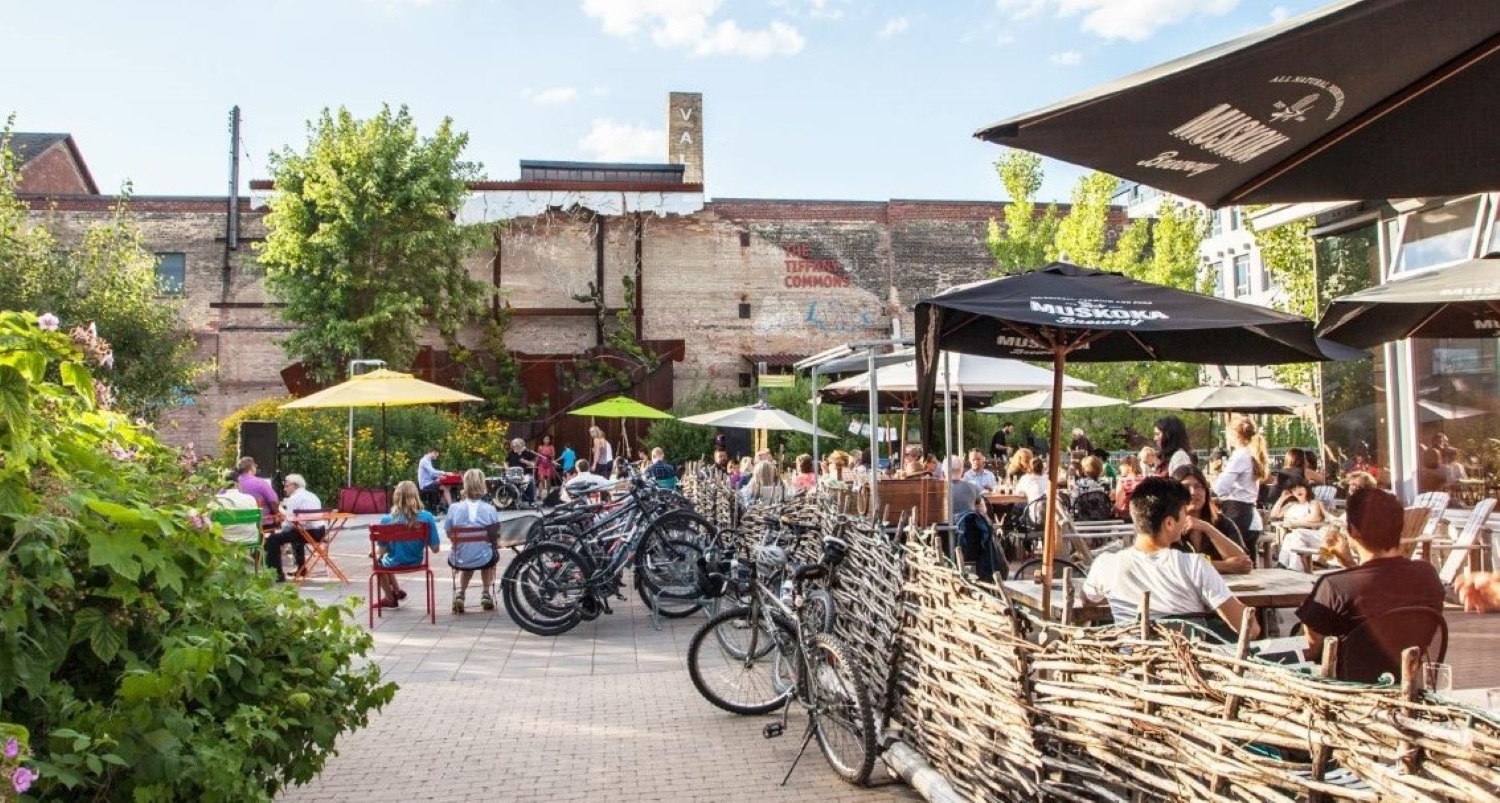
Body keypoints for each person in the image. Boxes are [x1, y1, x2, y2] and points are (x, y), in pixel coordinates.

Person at [1083, 476, 1260, 641]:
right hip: (1186, 662)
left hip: (1131, 661)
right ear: (1169, 523)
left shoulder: (1105, 565)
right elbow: (1250, 629)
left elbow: (1087, 599)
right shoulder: (1194, 566)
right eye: (1184, 514)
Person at [1295, 487, 1445, 665]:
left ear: (1352, 530)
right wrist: (1350, 564)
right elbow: (1381, 586)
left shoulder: (1333, 587)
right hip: (1405, 676)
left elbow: (1310, 649)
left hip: (1345, 680)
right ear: (1400, 527)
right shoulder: (1427, 575)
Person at [1171, 464, 1253, 575]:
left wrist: (1207, 528)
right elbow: (1172, 566)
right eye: (1185, 487)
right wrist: (1226, 566)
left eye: (1198, 486)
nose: (1193, 492)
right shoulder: (1168, 525)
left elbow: (1244, 563)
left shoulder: (1222, 522)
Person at [373, 481, 441, 609]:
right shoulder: (427, 517)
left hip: (394, 563)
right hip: (416, 562)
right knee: (384, 561)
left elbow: (381, 551)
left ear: (396, 497)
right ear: (416, 496)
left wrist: (376, 551)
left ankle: (390, 598)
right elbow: (435, 549)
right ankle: (397, 591)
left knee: (378, 563)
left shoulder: (387, 519)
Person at [444, 468, 502, 614]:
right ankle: (485, 592)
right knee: (488, 552)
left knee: (467, 555)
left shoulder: (453, 508)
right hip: (484, 558)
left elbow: (449, 533)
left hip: (459, 558)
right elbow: (495, 536)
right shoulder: (490, 509)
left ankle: (461, 594)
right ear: (482, 485)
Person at [1214, 415, 1268, 555]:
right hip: (1250, 513)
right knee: (1249, 560)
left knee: (1234, 558)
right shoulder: (1251, 453)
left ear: (1235, 435)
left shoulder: (1240, 456)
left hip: (1237, 514)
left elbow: (1220, 489)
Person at [262, 473, 324, 582]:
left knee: (273, 539)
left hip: (307, 532)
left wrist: (280, 531)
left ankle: (276, 574)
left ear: (295, 485)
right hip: (320, 532)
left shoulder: (294, 498)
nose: (284, 489)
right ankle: (301, 568)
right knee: (295, 533)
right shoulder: (313, 496)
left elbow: (289, 522)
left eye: (287, 486)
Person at [1270, 476, 1329, 572]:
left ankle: (1285, 566)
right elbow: (1274, 515)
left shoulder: (1313, 503)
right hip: (1297, 538)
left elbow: (1313, 518)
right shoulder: (1291, 505)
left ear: (1306, 488)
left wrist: (1292, 523)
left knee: (1295, 534)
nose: (1298, 490)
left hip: (1312, 537)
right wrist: (1281, 498)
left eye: (1300, 487)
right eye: (1294, 489)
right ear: (1291, 492)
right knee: (1291, 537)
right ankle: (1290, 567)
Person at [955, 495, 1005, 583]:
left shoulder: (964, 518)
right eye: (984, 505)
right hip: (980, 560)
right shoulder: (977, 519)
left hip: (966, 557)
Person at [211, 469, 262, 546]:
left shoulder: (216, 500)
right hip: (251, 540)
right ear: (237, 483)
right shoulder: (251, 499)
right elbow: (257, 525)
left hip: (225, 542)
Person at [235, 455, 279, 527]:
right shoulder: (260, 482)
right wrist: (277, 513)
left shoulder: (232, 484)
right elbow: (274, 501)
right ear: (252, 468)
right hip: (261, 524)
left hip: (238, 524)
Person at [1071, 456, 1114, 522]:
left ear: (1084, 469)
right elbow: (1109, 505)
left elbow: (1073, 504)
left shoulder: (1079, 484)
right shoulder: (1105, 485)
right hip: (1102, 521)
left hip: (1082, 522)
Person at [506, 437, 541, 502]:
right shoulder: (510, 453)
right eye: (513, 445)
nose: (514, 446)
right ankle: (511, 499)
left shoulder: (527, 453)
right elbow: (505, 462)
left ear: (520, 445)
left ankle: (529, 499)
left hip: (526, 474)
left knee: (527, 481)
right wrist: (507, 468)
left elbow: (533, 465)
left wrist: (525, 461)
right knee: (505, 480)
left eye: (515, 445)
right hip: (512, 474)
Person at [1113, 454, 1143, 519]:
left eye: (1122, 465)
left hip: (1127, 516)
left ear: (1129, 466)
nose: (1119, 467)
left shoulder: (1123, 481)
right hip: (1142, 516)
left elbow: (1118, 505)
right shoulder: (1144, 480)